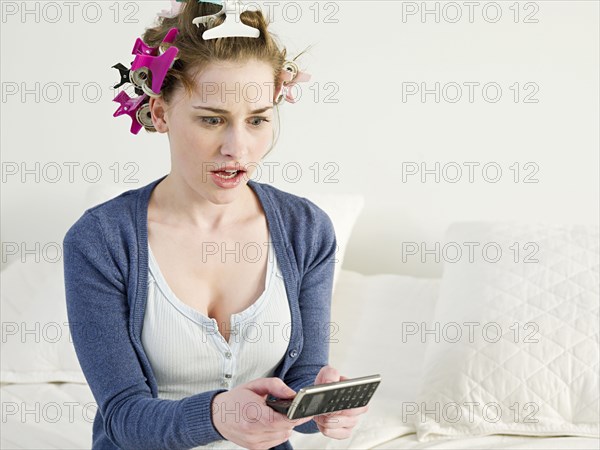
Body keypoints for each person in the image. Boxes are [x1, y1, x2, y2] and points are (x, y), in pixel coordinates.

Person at [63, 1, 368, 449]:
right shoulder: (101, 241)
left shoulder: (307, 230)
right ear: (161, 112)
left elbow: (297, 394)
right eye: (211, 119)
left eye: (258, 120)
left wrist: (321, 406)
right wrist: (216, 415)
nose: (238, 148)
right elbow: (124, 415)